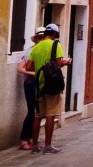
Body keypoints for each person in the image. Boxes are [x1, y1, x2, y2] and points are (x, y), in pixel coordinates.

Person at [26, 23, 72, 154]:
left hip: (39, 85)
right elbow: (58, 63)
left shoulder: (36, 47)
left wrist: (40, 67)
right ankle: (48, 145)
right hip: (51, 84)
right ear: (54, 35)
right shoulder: (55, 44)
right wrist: (66, 62)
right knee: (51, 114)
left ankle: (34, 145)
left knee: (38, 115)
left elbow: (29, 67)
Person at [17, 26, 46, 150]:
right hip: (30, 84)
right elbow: (20, 68)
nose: (41, 39)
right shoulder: (31, 50)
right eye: (39, 37)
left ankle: (31, 139)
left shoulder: (45, 50)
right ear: (36, 39)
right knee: (32, 112)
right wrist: (34, 74)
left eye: (43, 37)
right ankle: (24, 139)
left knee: (39, 112)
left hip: (40, 85)